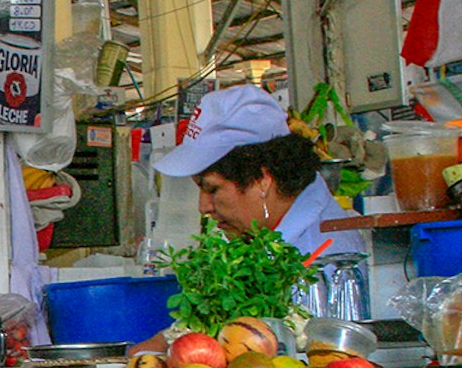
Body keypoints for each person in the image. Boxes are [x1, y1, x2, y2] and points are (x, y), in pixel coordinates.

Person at [154, 85, 364, 257]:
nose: (203, 207)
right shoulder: (270, 235)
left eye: (212, 189)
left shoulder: (322, 257)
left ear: (263, 180)